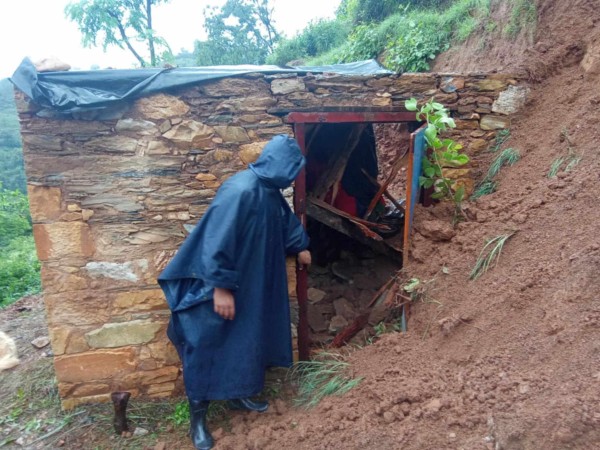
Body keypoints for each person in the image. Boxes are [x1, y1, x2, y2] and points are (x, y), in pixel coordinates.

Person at [158, 134, 311, 450]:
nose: (293, 175)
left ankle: (239, 395)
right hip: (215, 288)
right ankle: (197, 421)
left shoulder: (269, 191)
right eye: (292, 168)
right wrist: (222, 289)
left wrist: (301, 246)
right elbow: (216, 240)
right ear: (279, 163)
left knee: (246, 341)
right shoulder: (239, 190)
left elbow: (285, 223)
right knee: (205, 345)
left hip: (251, 286)